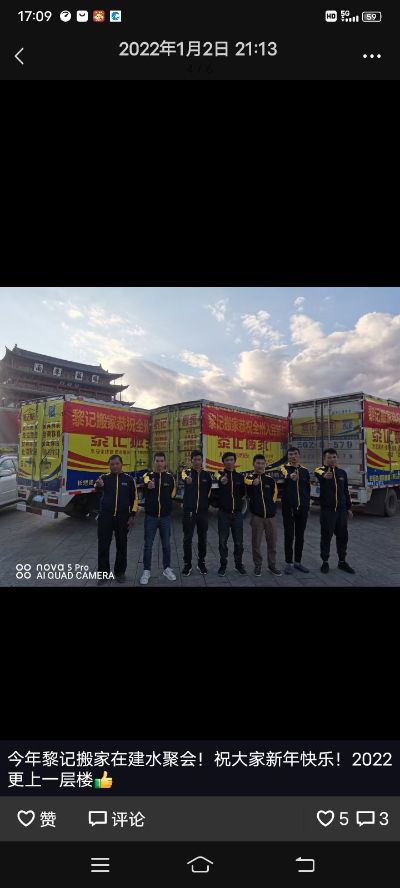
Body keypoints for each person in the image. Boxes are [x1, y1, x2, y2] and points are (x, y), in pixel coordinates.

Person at [95, 454, 138, 586]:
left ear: (121, 464)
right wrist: (98, 485)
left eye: (116, 464)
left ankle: (120, 573)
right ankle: (103, 574)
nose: (114, 466)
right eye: (112, 464)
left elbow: (134, 499)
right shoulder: (104, 478)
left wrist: (132, 515)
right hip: (105, 517)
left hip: (122, 518)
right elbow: (97, 489)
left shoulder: (129, 480)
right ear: (109, 466)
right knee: (103, 546)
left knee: (122, 546)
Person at [315, 447, 355, 574]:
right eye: (329, 457)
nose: (332, 460)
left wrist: (349, 508)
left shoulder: (342, 473)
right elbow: (318, 472)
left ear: (337, 458)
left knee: (343, 536)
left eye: (334, 457)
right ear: (324, 459)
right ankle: (325, 562)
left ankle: (342, 561)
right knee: (326, 537)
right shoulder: (321, 471)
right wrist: (325, 475)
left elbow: (346, 492)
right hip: (328, 511)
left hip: (341, 511)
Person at [140, 452, 177, 585]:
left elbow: (172, 494)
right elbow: (144, 481)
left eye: (162, 461)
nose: (159, 463)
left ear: (165, 462)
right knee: (148, 545)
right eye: (157, 461)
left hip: (165, 517)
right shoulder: (148, 476)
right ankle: (146, 571)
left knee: (166, 544)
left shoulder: (170, 478)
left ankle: (167, 568)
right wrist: (148, 485)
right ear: (153, 462)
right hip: (151, 517)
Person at [245, 454, 283, 577]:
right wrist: (253, 482)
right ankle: (258, 565)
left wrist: (272, 508)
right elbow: (246, 481)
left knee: (272, 543)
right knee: (256, 543)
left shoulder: (270, 480)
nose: (260, 466)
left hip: (270, 517)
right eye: (258, 463)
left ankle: (272, 565)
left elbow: (275, 495)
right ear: (253, 464)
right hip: (257, 517)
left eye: (262, 463)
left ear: (265, 464)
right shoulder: (249, 478)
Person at [280, 446, 311, 574]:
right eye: (290, 454)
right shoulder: (283, 468)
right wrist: (290, 477)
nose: (293, 456)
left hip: (302, 508)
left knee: (300, 536)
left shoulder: (305, 471)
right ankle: (288, 563)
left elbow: (307, 490)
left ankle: (298, 562)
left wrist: (307, 506)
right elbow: (285, 475)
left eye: (295, 454)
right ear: (288, 456)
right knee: (289, 535)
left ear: (299, 455)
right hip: (289, 508)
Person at [181, 450, 212, 576]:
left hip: (202, 512)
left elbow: (209, 491)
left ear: (202, 460)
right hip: (189, 511)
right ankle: (187, 564)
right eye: (194, 459)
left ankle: (201, 563)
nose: (197, 462)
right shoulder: (186, 473)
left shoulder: (206, 475)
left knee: (202, 538)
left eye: (199, 459)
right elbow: (184, 477)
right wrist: (187, 479)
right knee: (187, 539)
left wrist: (204, 504)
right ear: (191, 460)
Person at [215, 452, 246, 576]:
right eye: (227, 460)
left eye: (231, 459)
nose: (229, 462)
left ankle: (239, 565)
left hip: (237, 514)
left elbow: (242, 493)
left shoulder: (240, 477)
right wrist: (221, 480)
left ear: (235, 461)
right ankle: (223, 565)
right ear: (223, 462)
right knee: (222, 541)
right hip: (223, 514)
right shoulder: (220, 475)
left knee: (239, 542)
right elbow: (217, 476)